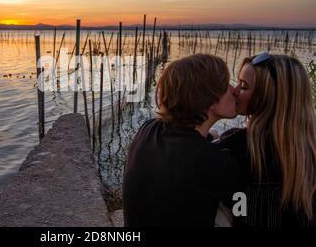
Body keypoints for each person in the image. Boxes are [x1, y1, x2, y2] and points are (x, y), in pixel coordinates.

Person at [123, 54, 242, 227]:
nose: (234, 90)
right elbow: (242, 209)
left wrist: (211, 136)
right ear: (208, 98)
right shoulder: (217, 163)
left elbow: (184, 147)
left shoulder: (148, 129)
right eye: (226, 85)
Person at [219, 52, 316, 227]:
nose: (235, 90)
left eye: (243, 86)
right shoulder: (308, 151)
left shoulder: (238, 146)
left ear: (267, 97)